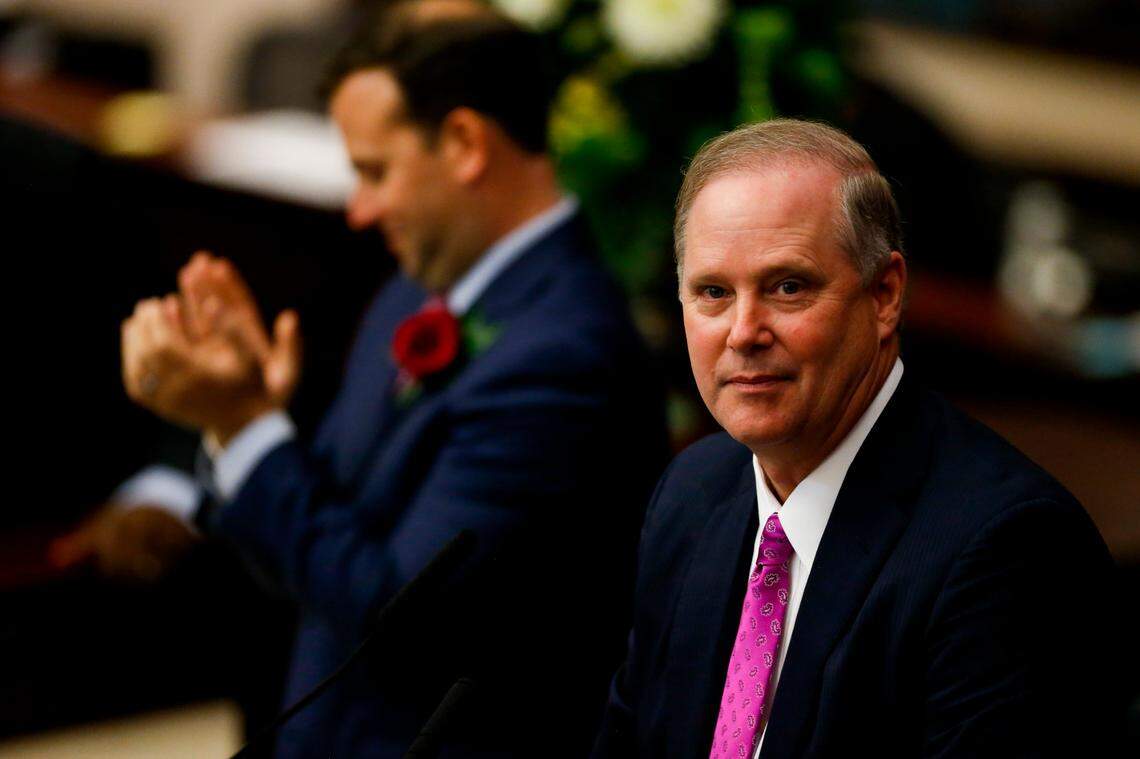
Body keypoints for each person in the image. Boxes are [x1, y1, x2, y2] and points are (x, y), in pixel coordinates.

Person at [118, 2, 668, 756]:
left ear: (466, 143)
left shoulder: (564, 357)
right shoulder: (415, 289)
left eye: (375, 170)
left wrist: (246, 430)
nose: (359, 208)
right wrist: (245, 413)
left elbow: (401, 619)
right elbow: (334, 525)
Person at [592, 119, 1125, 758]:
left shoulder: (1007, 548)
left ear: (884, 294)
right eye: (712, 293)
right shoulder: (691, 494)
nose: (742, 332)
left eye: (787, 287)